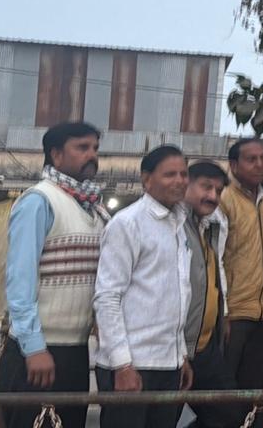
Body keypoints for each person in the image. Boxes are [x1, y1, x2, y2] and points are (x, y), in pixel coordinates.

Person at [0, 122, 107, 428]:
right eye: (82, 148)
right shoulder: (39, 201)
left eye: (95, 149)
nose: (92, 155)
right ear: (56, 155)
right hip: (39, 353)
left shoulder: (94, 209)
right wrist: (34, 347)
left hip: (75, 352)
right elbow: (20, 280)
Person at [93, 145, 194, 428]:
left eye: (184, 174)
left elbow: (177, 294)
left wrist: (181, 355)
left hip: (168, 364)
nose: (179, 181)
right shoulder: (128, 223)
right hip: (132, 365)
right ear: (147, 180)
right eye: (170, 174)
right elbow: (107, 297)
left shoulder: (179, 223)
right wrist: (122, 365)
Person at [182, 160, 247, 428]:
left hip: (205, 345)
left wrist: (224, 314)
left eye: (218, 191)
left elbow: (216, 269)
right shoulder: (173, 225)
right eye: (205, 187)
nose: (212, 196)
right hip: (175, 348)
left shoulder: (210, 225)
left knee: (229, 414)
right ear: (185, 184)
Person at [219, 138, 263, 395]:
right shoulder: (224, 200)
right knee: (224, 393)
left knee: (253, 391)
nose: (259, 165)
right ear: (234, 165)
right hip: (234, 315)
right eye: (251, 159)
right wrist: (224, 313)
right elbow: (217, 259)